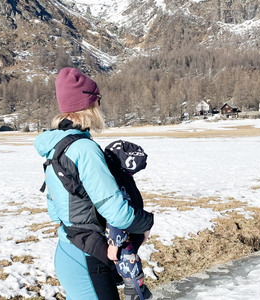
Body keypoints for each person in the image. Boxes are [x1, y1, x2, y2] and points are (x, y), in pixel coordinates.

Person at [34, 68, 154, 300]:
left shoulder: (56, 146)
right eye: (98, 100)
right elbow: (118, 214)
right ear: (89, 105)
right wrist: (147, 222)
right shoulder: (84, 149)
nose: (100, 107)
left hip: (68, 250)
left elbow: (55, 211)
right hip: (88, 258)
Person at [104, 140, 152, 300]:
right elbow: (118, 211)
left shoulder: (117, 177)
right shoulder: (119, 178)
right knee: (128, 260)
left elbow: (118, 212)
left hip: (127, 231)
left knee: (127, 259)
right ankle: (135, 289)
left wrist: (115, 242)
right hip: (126, 231)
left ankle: (135, 289)